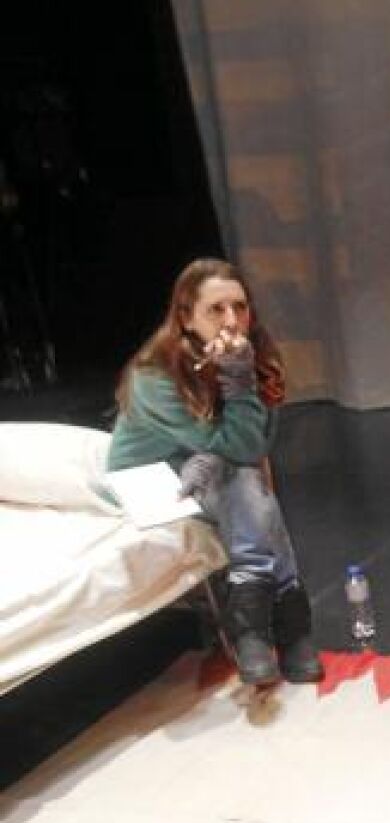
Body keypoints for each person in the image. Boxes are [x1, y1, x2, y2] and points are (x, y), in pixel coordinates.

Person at [108, 258, 323, 686]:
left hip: (215, 465)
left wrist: (238, 387)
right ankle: (289, 627)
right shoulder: (154, 376)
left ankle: (253, 629)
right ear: (186, 318)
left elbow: (256, 446)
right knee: (243, 480)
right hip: (155, 478)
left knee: (243, 479)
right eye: (216, 310)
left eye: (240, 307)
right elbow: (242, 447)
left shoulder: (252, 355)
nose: (231, 321)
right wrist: (237, 390)